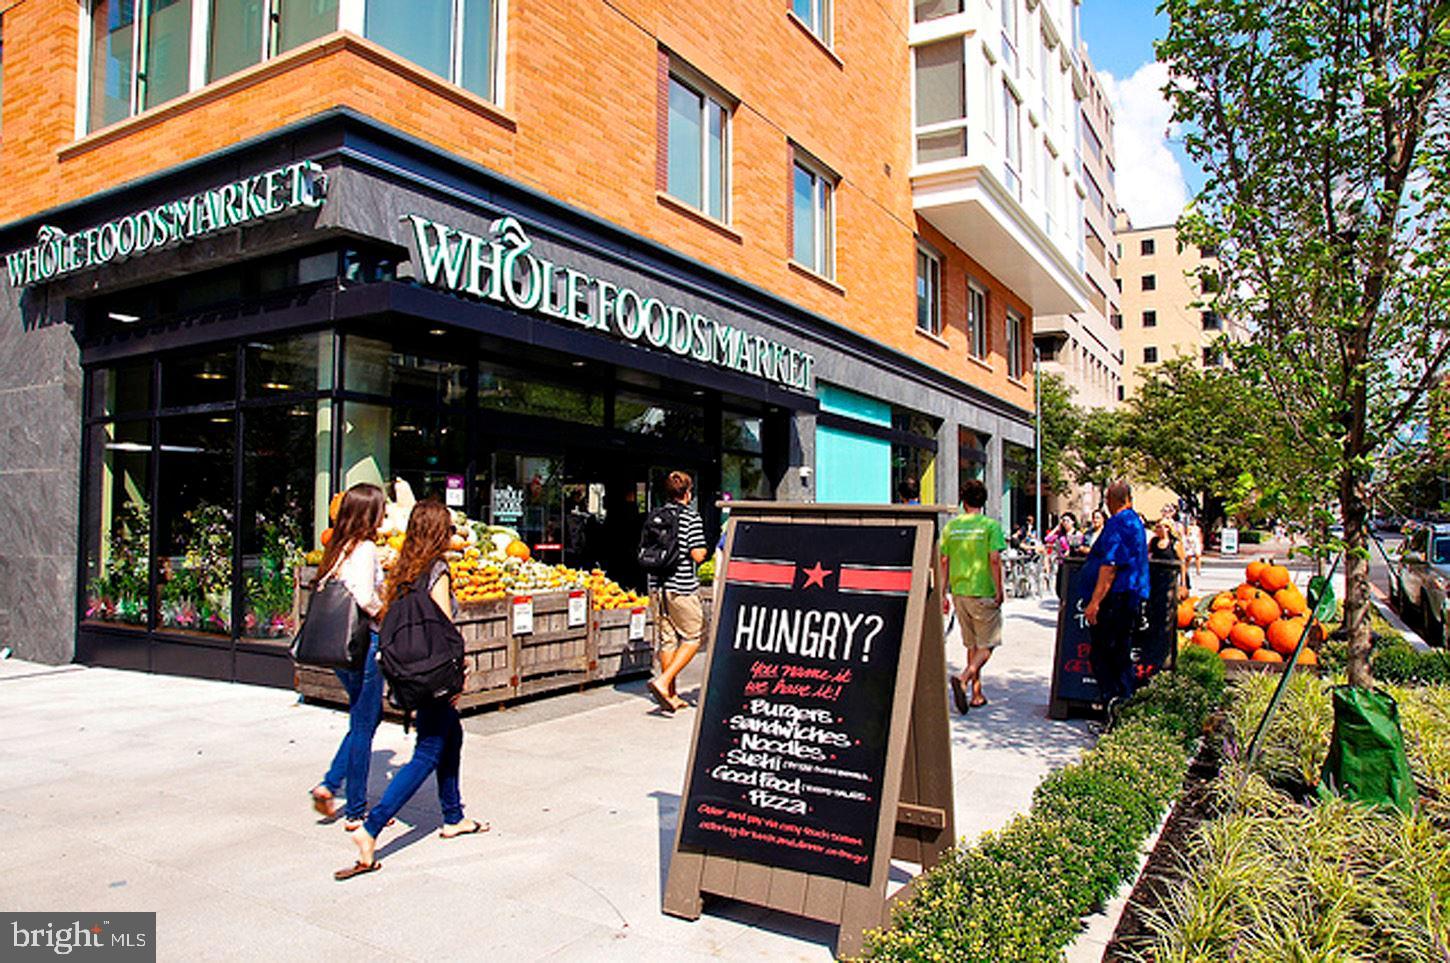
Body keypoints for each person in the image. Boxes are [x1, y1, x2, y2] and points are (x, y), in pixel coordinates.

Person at [337, 500, 485, 881]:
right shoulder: (437, 570)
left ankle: (453, 816)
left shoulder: (403, 569)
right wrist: (459, 671)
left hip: (411, 672)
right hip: (436, 673)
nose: (454, 536)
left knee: (451, 736)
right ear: (438, 534)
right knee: (429, 751)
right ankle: (372, 828)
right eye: (449, 530)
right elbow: (445, 628)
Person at [309, 482, 387, 831]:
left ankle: (329, 785)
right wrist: (382, 611)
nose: (385, 513)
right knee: (364, 724)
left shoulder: (337, 548)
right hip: (363, 645)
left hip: (336, 649)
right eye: (381, 508)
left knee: (361, 719)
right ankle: (355, 808)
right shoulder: (365, 548)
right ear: (369, 513)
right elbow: (362, 593)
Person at [1081, 481, 1150, 716]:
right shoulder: (1133, 522)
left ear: (1112, 500)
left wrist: (1095, 602)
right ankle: (1120, 703)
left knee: (1105, 654)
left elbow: (1110, 566)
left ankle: (1116, 704)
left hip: (1117, 599)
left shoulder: (1120, 523)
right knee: (1118, 652)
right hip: (1127, 596)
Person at [938, 479, 1006, 713]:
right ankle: (964, 677)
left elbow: (944, 560)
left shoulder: (951, 527)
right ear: (984, 501)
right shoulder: (990, 526)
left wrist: (943, 592)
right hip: (983, 590)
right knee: (988, 645)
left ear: (962, 500)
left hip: (959, 592)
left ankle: (976, 694)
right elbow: (994, 558)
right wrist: (1000, 589)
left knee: (972, 644)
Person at [646, 471, 709, 713]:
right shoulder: (690, 517)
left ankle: (670, 695)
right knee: (694, 637)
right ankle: (663, 682)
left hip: (656, 585)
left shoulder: (656, 515)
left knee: (668, 639)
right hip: (680, 587)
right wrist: (704, 552)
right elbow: (697, 554)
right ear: (687, 493)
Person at [1149, 517, 1190, 598]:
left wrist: (1183, 583)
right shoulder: (1153, 541)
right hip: (1155, 577)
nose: (1157, 529)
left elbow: (1182, 563)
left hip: (1171, 578)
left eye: (1160, 527)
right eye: (1156, 527)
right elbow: (1147, 554)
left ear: (1167, 528)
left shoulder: (1175, 543)